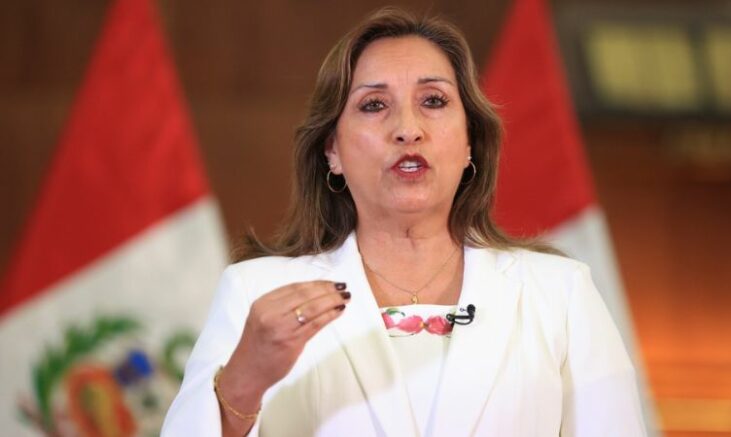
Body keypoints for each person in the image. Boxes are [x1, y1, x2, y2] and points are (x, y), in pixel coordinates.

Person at [162, 7, 646, 437]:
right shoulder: (256, 292)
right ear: (332, 151)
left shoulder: (559, 295)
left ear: (470, 143)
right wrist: (243, 382)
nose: (408, 129)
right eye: (374, 105)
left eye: (433, 101)